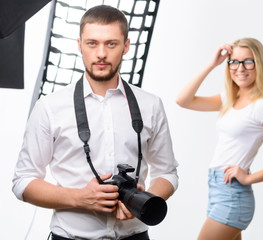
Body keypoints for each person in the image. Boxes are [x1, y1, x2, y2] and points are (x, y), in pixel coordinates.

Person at [12, 5, 178, 240]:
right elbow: (23, 181)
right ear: (80, 45)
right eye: (92, 43)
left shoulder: (151, 104)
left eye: (111, 43)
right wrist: (79, 198)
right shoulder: (49, 107)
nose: (101, 53)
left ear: (126, 46)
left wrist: (144, 201)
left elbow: (168, 173)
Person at [176, 38, 263, 240]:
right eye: (234, 62)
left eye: (248, 61)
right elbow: (183, 100)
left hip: (232, 196)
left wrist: (248, 178)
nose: (240, 68)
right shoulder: (229, 99)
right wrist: (212, 64)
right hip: (217, 190)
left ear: (259, 65)